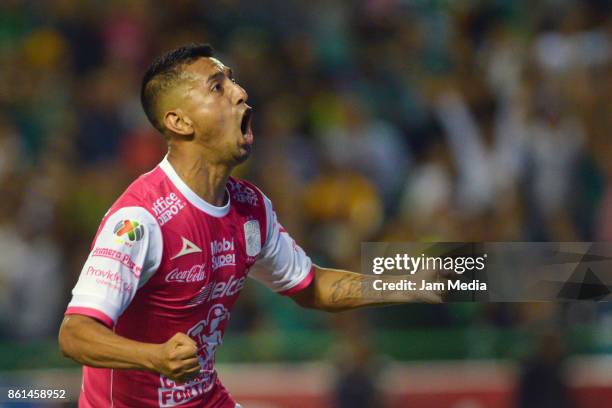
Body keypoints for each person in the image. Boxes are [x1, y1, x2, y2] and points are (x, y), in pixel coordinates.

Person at [58, 44, 441, 408]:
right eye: (217, 86)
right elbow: (75, 334)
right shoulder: (141, 220)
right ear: (179, 121)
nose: (240, 93)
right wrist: (153, 357)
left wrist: (426, 279)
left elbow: (314, 286)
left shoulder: (250, 208)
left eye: (234, 80)